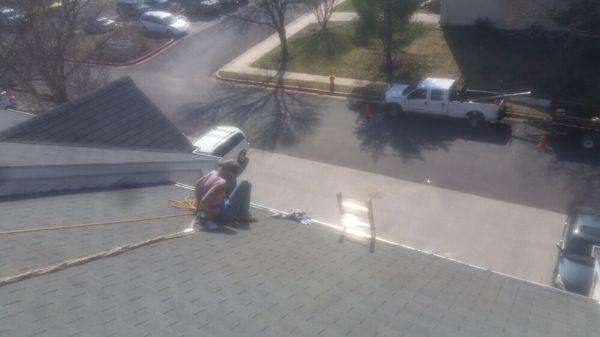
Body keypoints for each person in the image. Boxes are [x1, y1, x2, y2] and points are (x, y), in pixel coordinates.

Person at [194, 159, 255, 230]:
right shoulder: (221, 183)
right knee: (246, 183)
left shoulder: (212, 173)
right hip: (224, 213)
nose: (233, 175)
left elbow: (197, 184)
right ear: (228, 172)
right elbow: (204, 201)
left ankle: (241, 212)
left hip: (221, 203)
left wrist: (198, 208)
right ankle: (244, 215)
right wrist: (209, 221)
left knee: (233, 180)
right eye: (232, 173)